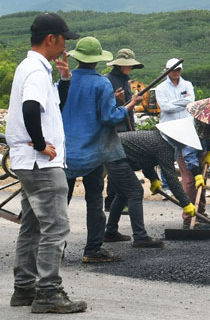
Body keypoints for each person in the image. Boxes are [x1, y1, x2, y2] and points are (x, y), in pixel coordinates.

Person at [7, 13, 87, 313]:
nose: (65, 46)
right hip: (42, 164)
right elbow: (30, 107)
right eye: (64, 39)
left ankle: (24, 289)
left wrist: (64, 78)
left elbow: (51, 106)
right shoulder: (37, 72)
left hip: (27, 163)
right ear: (51, 39)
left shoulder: (32, 68)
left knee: (32, 226)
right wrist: (40, 144)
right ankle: (48, 293)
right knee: (55, 227)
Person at [62, 37, 152, 262]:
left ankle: (55, 250)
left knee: (62, 202)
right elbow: (109, 117)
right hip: (93, 152)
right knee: (93, 200)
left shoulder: (65, 81)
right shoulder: (101, 83)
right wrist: (127, 106)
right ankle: (92, 250)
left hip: (66, 152)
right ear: (97, 60)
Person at [111, 128, 197, 235]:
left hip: (114, 152)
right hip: (115, 155)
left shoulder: (161, 139)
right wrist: (186, 203)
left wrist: (154, 179)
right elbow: (171, 179)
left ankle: (111, 231)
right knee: (135, 192)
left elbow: (145, 160)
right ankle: (140, 237)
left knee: (122, 194)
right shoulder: (165, 147)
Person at [174, 97, 210, 227]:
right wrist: (196, 172)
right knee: (190, 182)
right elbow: (189, 155)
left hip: (202, 150)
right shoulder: (190, 129)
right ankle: (189, 218)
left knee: (202, 182)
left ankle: (200, 213)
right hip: (185, 154)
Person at [155, 58, 197, 216]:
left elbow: (191, 101)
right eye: (173, 70)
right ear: (167, 70)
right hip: (168, 127)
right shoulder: (160, 88)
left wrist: (175, 102)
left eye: (178, 70)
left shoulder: (187, 85)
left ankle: (183, 189)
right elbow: (165, 108)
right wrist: (182, 102)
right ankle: (167, 187)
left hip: (185, 127)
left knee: (185, 159)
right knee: (167, 158)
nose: (176, 72)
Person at [103, 48, 143, 212]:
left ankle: (117, 202)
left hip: (126, 128)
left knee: (122, 166)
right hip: (114, 130)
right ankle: (111, 201)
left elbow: (129, 108)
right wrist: (115, 99)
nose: (129, 68)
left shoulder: (126, 81)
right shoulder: (107, 80)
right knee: (116, 167)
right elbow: (105, 108)